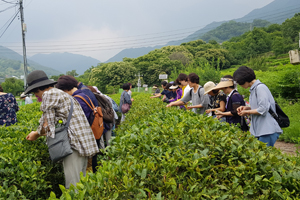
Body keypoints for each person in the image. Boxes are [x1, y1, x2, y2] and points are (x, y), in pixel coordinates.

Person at [24, 70, 99, 189]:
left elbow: (48, 125)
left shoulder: (48, 95)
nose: (36, 96)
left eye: (34, 93)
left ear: (37, 89)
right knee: (82, 185)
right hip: (83, 144)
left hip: (73, 145)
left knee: (73, 187)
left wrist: (36, 134)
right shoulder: (62, 94)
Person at [233, 66, 282, 146]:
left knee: (264, 156)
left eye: (239, 82)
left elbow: (263, 109)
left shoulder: (260, 88)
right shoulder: (253, 89)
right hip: (259, 129)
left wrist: (247, 112)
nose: (239, 84)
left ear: (244, 80)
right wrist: (247, 108)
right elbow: (259, 107)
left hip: (267, 130)